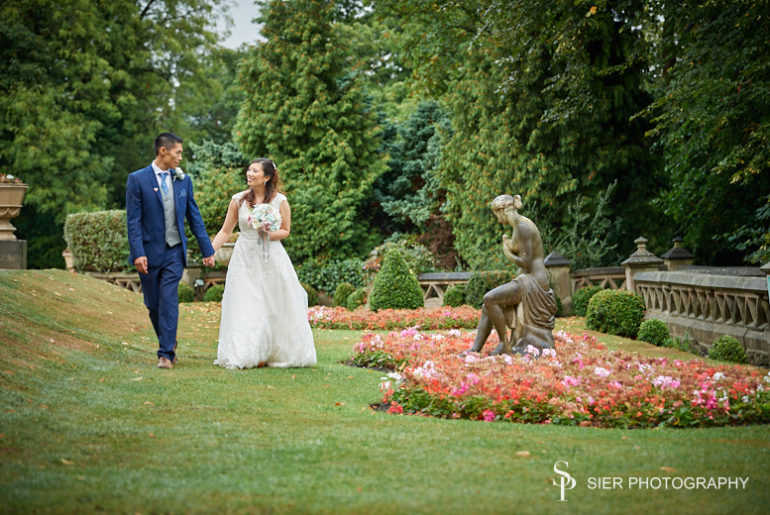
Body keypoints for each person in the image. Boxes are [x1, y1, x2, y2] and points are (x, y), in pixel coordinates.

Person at [210, 158, 316, 369]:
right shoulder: (238, 200)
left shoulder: (280, 201)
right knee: (246, 303)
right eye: (249, 169)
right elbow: (225, 231)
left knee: (274, 304)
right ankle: (247, 352)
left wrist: (267, 232)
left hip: (272, 258)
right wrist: (209, 251)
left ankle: (275, 351)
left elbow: (285, 230)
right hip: (245, 258)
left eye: (255, 170)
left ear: (266, 177)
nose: (249, 173)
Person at [126, 133, 215, 369]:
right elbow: (133, 220)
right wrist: (137, 253)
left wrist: (207, 249)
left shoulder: (183, 180)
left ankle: (165, 354)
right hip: (148, 253)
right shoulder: (137, 180)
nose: (180, 157)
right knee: (153, 304)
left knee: (169, 300)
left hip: (174, 252)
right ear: (163, 151)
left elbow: (194, 216)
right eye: (178, 152)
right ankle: (168, 339)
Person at [463, 194, 557, 356]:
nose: (499, 221)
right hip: (527, 279)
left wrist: (507, 252)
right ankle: (475, 350)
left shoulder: (522, 227)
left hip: (533, 282)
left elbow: (526, 263)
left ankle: (504, 344)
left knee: (489, 298)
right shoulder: (520, 225)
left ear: (503, 211)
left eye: (498, 216)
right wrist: (510, 245)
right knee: (488, 306)